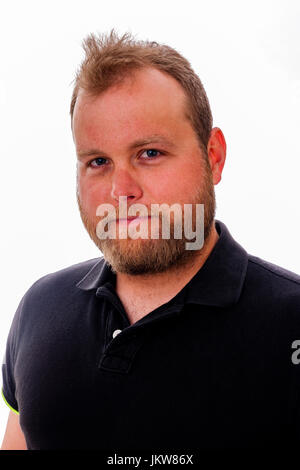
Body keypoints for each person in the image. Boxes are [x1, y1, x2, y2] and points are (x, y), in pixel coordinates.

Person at [1, 29, 300, 451]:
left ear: (213, 156)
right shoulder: (38, 309)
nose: (121, 191)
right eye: (98, 161)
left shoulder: (291, 323)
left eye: (149, 154)